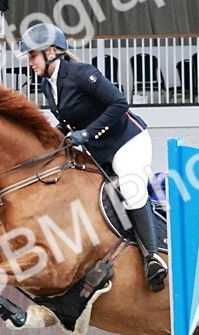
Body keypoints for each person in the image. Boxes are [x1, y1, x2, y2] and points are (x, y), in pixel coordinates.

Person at [18, 22, 167, 292]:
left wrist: (86, 134)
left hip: (127, 142)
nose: (30, 63)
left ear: (50, 52)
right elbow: (69, 119)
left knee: (131, 189)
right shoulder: (47, 85)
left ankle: (152, 258)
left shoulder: (81, 73)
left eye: (32, 56)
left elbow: (119, 103)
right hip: (99, 150)